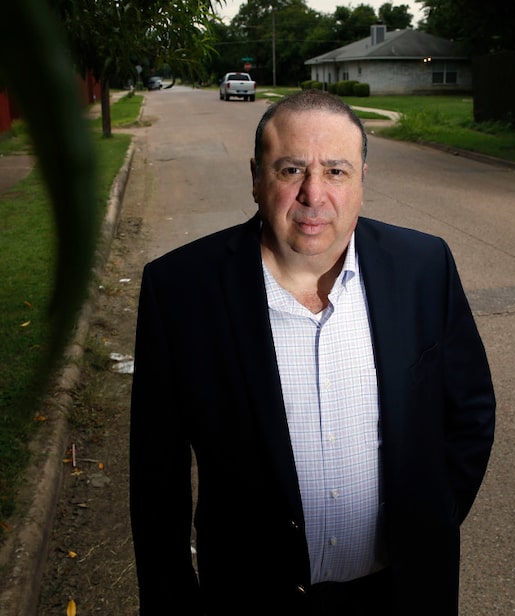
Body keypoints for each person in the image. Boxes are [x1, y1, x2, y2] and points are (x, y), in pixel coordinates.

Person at [129, 90, 495, 615]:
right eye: (292, 169)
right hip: (250, 597)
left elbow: (471, 412)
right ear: (256, 177)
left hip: (402, 592)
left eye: (337, 172)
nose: (314, 195)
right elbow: (155, 475)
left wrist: (429, 521)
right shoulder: (180, 290)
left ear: (362, 179)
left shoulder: (423, 267)